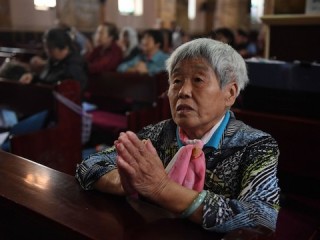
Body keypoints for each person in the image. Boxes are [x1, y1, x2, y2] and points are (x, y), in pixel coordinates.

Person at [76, 38, 280, 232]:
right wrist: (121, 183)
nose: (183, 91)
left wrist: (162, 188)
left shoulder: (255, 146)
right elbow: (89, 164)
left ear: (230, 93)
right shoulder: (157, 133)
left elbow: (261, 220)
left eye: (198, 80)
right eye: (177, 80)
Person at [19, 27, 88, 90]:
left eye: (50, 49)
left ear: (64, 48)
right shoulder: (54, 59)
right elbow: (46, 79)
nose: (47, 52)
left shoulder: (74, 66)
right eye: (46, 48)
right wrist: (32, 78)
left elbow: (74, 92)